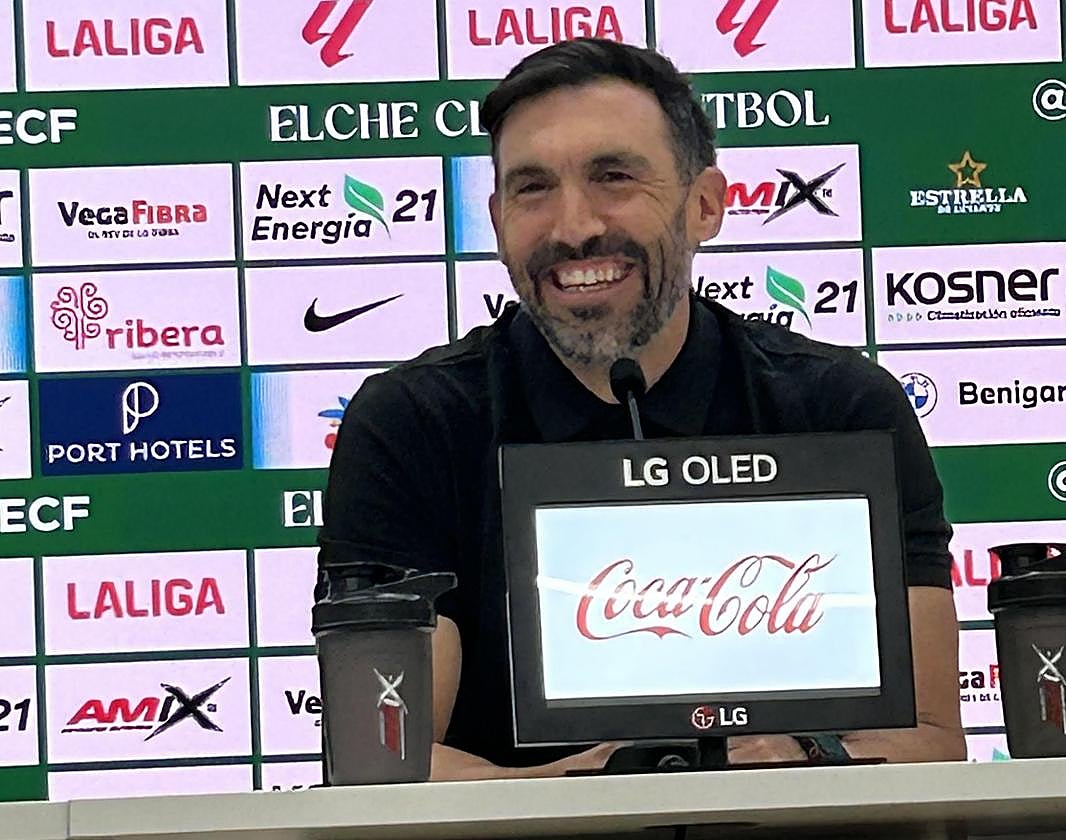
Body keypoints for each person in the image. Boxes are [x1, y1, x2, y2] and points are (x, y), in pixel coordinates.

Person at [317, 38, 967, 781]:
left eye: (614, 177)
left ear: (705, 205)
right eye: (533, 189)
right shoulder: (411, 424)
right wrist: (580, 793)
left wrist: (796, 758)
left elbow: (931, 740)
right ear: (496, 222)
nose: (573, 227)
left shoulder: (841, 407)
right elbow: (381, 764)